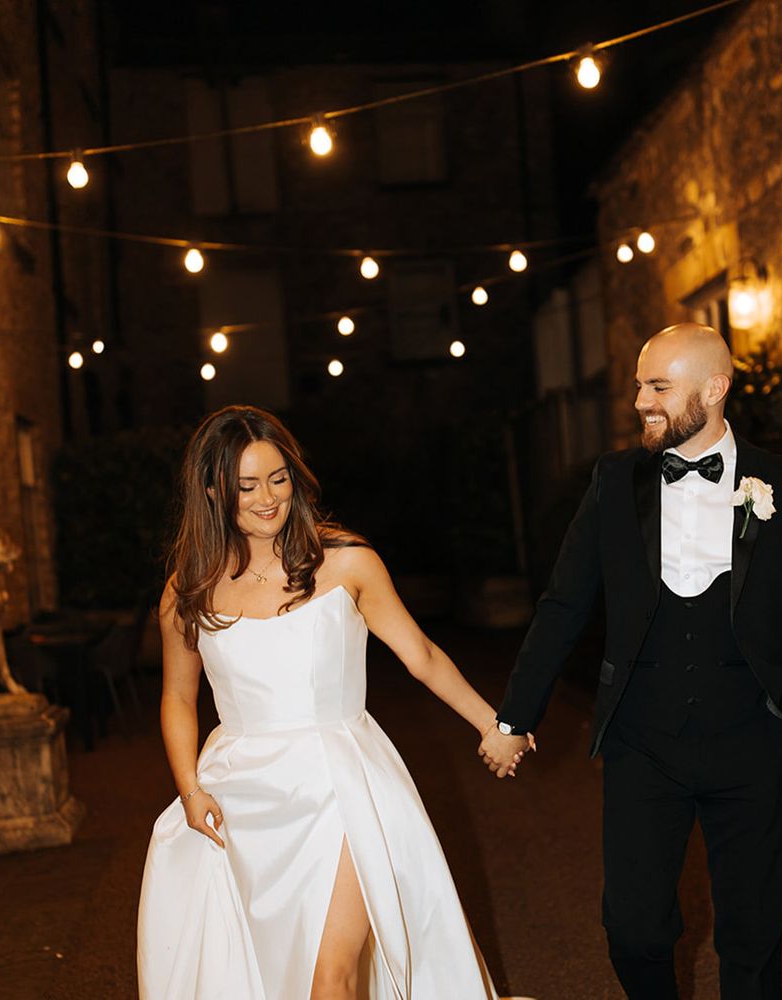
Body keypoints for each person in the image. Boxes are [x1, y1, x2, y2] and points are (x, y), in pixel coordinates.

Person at [479, 324, 782, 999]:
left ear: (713, 389)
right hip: (642, 741)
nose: (640, 401)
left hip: (750, 737)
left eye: (658, 387)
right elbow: (564, 604)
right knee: (635, 930)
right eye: (639, 386)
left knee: (754, 934)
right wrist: (513, 717)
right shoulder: (614, 481)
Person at [138, 405, 526, 1000]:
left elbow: (420, 653)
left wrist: (492, 725)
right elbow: (177, 698)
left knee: (331, 975)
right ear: (214, 491)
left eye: (278, 478)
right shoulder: (188, 589)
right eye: (246, 485)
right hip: (240, 796)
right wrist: (190, 788)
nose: (267, 497)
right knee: (270, 973)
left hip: (345, 783)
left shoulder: (347, 563)